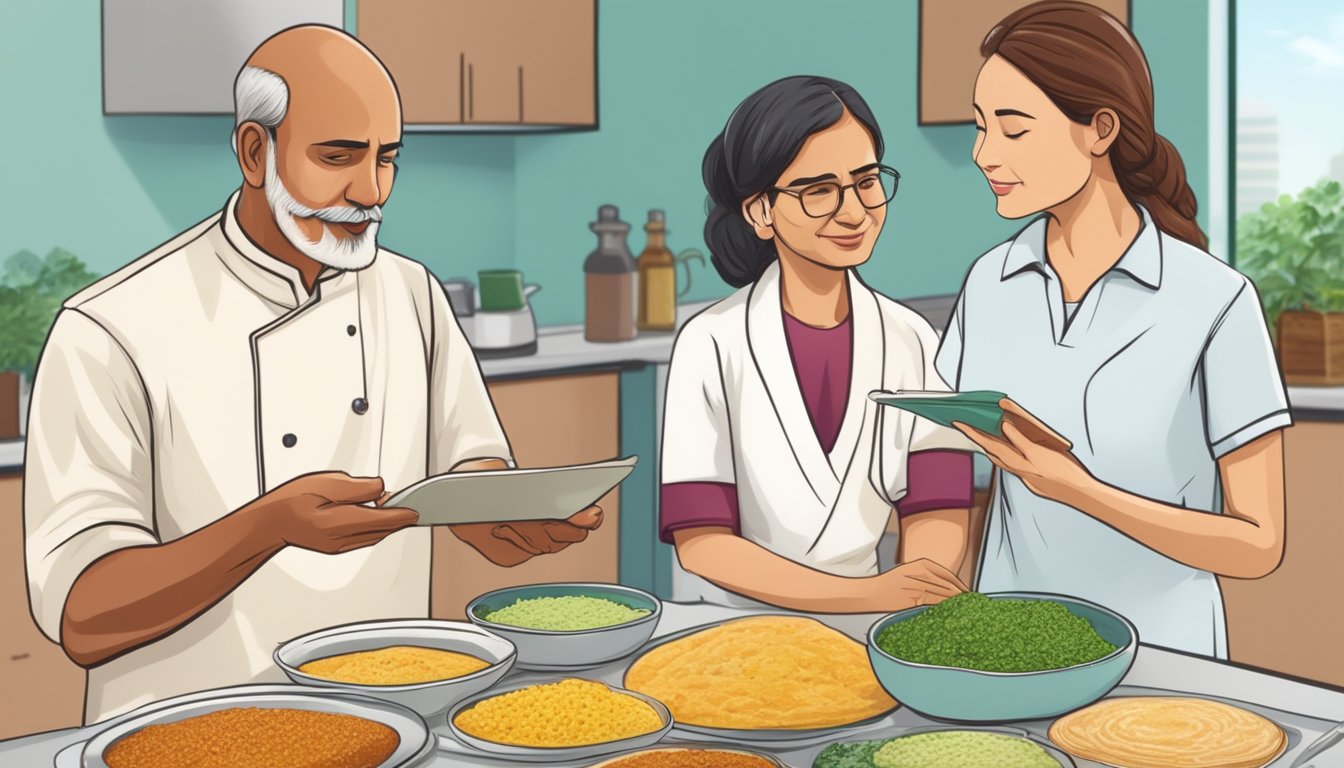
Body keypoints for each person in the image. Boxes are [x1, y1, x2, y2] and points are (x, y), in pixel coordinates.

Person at [23, 25, 601, 723]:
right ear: (253, 151)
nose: (370, 189)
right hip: (187, 729)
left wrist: (500, 515)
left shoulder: (410, 291)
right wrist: (267, 528)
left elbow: (466, 464)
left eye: (388, 158)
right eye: (338, 156)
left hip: (388, 717)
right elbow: (84, 614)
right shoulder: (110, 329)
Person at [940, 1, 1289, 658]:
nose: (984, 153)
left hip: (1164, 666)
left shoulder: (1216, 302)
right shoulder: (989, 282)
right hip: (1009, 657)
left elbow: (1258, 544)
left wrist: (1082, 492)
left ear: (1099, 129)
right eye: (981, 126)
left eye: (1013, 130)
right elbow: (982, 490)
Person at [659, 76, 975, 613]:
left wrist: (915, 589)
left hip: (874, 624)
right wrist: (861, 596)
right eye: (818, 190)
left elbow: (938, 506)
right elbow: (703, 543)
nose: (853, 211)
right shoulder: (710, 342)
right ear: (760, 212)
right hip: (733, 626)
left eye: (867, 181)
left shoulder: (913, 338)